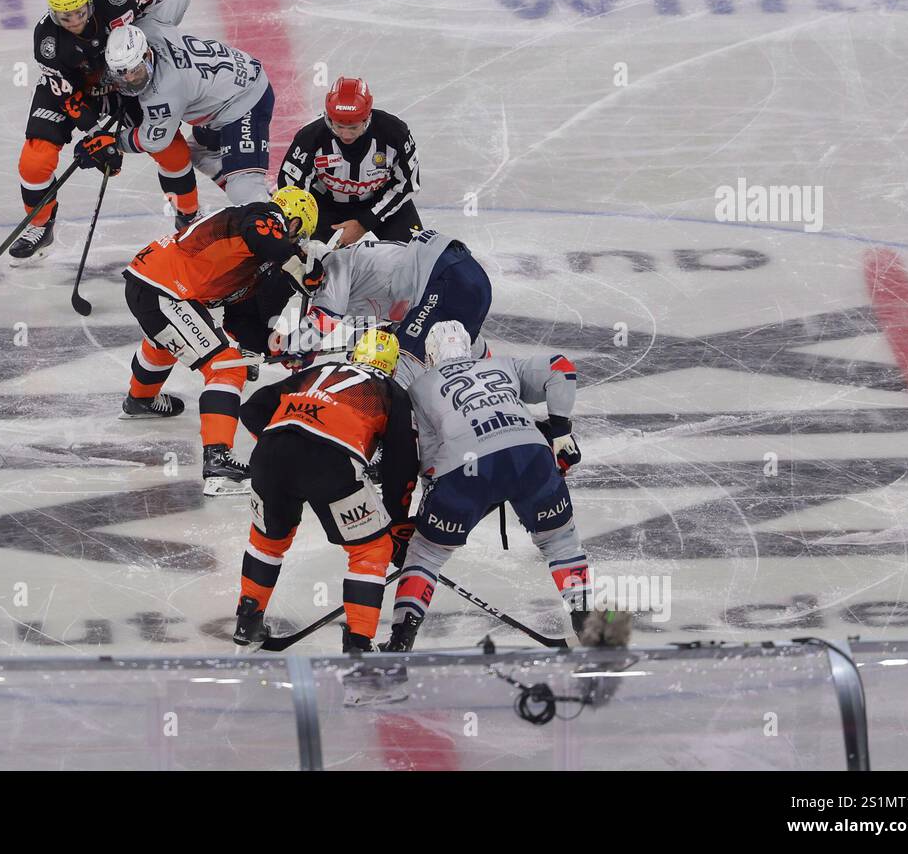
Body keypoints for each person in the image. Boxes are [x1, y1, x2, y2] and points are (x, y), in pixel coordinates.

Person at [383, 320, 629, 651]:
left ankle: (399, 642)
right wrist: (559, 431)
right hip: (531, 457)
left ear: (430, 356)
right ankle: (590, 627)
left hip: (464, 471)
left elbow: (422, 460)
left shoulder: (418, 389)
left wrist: (435, 508)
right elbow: (561, 367)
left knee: (426, 552)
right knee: (560, 541)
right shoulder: (501, 365)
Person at [119, 187, 322, 495]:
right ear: (292, 223)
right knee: (226, 367)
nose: (296, 243)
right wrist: (299, 265)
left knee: (167, 339)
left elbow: (240, 320)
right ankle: (218, 463)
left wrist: (277, 347)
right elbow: (263, 234)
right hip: (164, 289)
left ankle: (140, 398)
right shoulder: (262, 216)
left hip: (155, 287)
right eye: (298, 236)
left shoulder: (253, 259)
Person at [233, 329, 419, 652]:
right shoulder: (392, 392)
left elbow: (251, 409)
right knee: (370, 550)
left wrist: (282, 445)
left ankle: (247, 620)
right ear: (391, 367)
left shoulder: (318, 371)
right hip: (330, 461)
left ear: (354, 355)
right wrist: (397, 524)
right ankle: (358, 643)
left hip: (271, 452)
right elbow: (401, 465)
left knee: (267, 539)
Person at [11, 0, 193, 262]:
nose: (75, 21)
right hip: (78, 91)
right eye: (65, 17)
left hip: (128, 79)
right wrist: (99, 137)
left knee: (170, 148)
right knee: (35, 160)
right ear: (53, 13)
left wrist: (148, 28)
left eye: (80, 12)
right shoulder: (48, 43)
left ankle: (188, 219)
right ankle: (40, 225)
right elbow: (68, 96)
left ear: (89, 1)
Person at [102, 21, 274, 228]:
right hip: (225, 91)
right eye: (121, 73)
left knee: (243, 191)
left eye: (135, 70)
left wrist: (114, 142)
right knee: (200, 152)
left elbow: (154, 140)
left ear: (147, 55)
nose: (130, 79)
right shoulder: (150, 26)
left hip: (244, 102)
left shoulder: (165, 90)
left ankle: (282, 232)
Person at [286, 228, 492, 387]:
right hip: (468, 281)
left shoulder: (333, 263)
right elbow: (365, 341)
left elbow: (323, 320)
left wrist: (295, 349)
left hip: (444, 276)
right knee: (453, 337)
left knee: (400, 369)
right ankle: (495, 381)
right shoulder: (357, 278)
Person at [279, 76, 422, 245]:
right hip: (323, 205)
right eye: (339, 126)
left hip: (380, 198)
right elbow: (291, 189)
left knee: (415, 253)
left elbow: (407, 185)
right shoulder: (310, 137)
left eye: (353, 127)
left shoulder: (395, 133)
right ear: (329, 118)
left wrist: (365, 222)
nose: (346, 135)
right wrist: (297, 230)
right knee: (294, 253)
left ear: (367, 118)